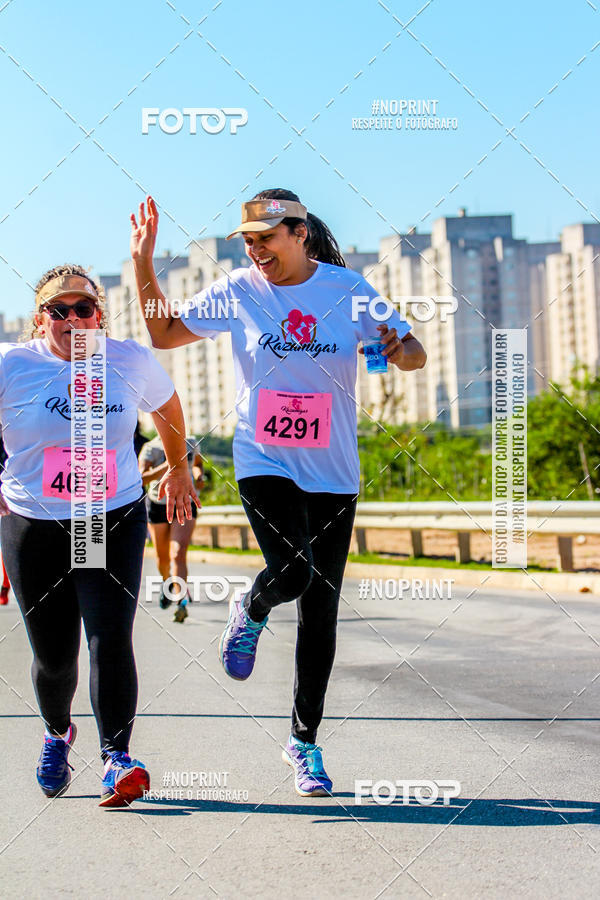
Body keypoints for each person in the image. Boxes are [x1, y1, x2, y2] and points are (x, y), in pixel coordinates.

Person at [130, 190, 426, 796]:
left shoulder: (347, 289)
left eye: (266, 237)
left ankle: (304, 742)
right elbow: (161, 334)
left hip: (334, 468)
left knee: (321, 611)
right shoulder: (236, 290)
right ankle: (252, 609)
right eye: (247, 240)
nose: (255, 249)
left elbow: (413, 352)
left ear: (299, 233)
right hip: (262, 456)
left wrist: (401, 350)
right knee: (290, 573)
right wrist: (143, 261)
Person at [0, 264, 199, 807]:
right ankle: (57, 730)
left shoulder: (127, 359)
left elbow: (168, 406)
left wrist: (178, 467)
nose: (71, 319)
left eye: (82, 308)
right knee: (55, 656)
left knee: (108, 638)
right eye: (58, 311)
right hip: (32, 523)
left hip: (105, 516)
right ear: (41, 320)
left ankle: (117, 758)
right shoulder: (11, 365)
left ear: (99, 315)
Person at [139, 433, 203, 622]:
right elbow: (141, 478)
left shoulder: (190, 443)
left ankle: (181, 601)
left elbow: (198, 464)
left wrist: (199, 476)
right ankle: (168, 581)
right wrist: (169, 466)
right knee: (163, 558)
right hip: (158, 504)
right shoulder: (151, 448)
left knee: (178, 553)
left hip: (185, 501)